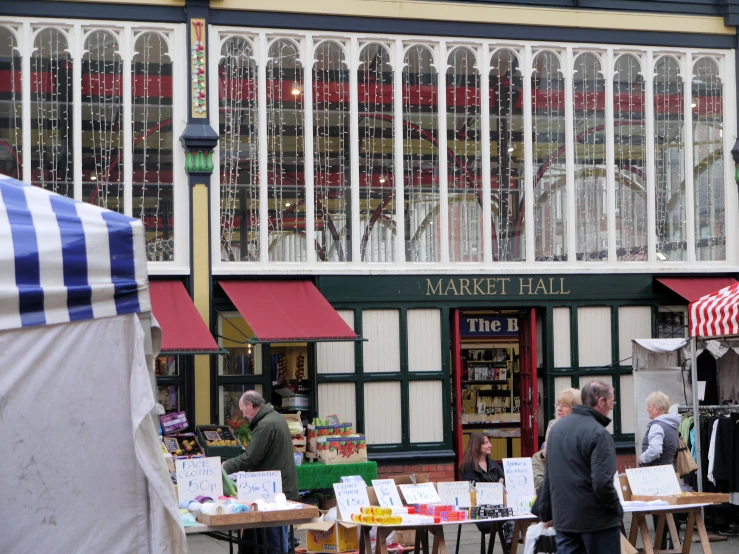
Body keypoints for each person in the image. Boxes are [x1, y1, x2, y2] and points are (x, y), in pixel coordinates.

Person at [537, 380, 622, 554]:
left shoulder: (556, 431)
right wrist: (616, 509)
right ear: (601, 402)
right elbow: (602, 483)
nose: (612, 407)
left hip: (565, 520)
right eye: (611, 402)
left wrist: (546, 511)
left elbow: (549, 475)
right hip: (596, 522)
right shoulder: (599, 434)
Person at [222, 390, 299, 552]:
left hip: (274, 494)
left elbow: (250, 458)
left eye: (243, 410)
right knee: (267, 540)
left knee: (274, 544)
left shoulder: (266, 424)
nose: (243, 415)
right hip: (277, 489)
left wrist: (225, 467)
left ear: (250, 405)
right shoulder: (275, 418)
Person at [639, 391, 681, 549]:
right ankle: (675, 546)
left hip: (656, 476)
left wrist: (642, 457)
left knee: (659, 514)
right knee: (671, 511)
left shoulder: (657, 426)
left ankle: (660, 547)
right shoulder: (672, 426)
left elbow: (655, 450)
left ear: (657, 408)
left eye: (649, 407)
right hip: (669, 472)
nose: (647, 409)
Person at [460, 433, 509, 540]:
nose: (490, 445)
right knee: (509, 518)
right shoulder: (468, 467)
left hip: (498, 506)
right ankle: (510, 538)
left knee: (515, 516)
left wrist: (498, 486)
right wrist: (497, 486)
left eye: (489, 442)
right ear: (477, 446)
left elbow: (505, 482)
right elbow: (476, 491)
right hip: (479, 511)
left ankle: (511, 540)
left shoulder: (492, 463)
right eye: (486, 443)